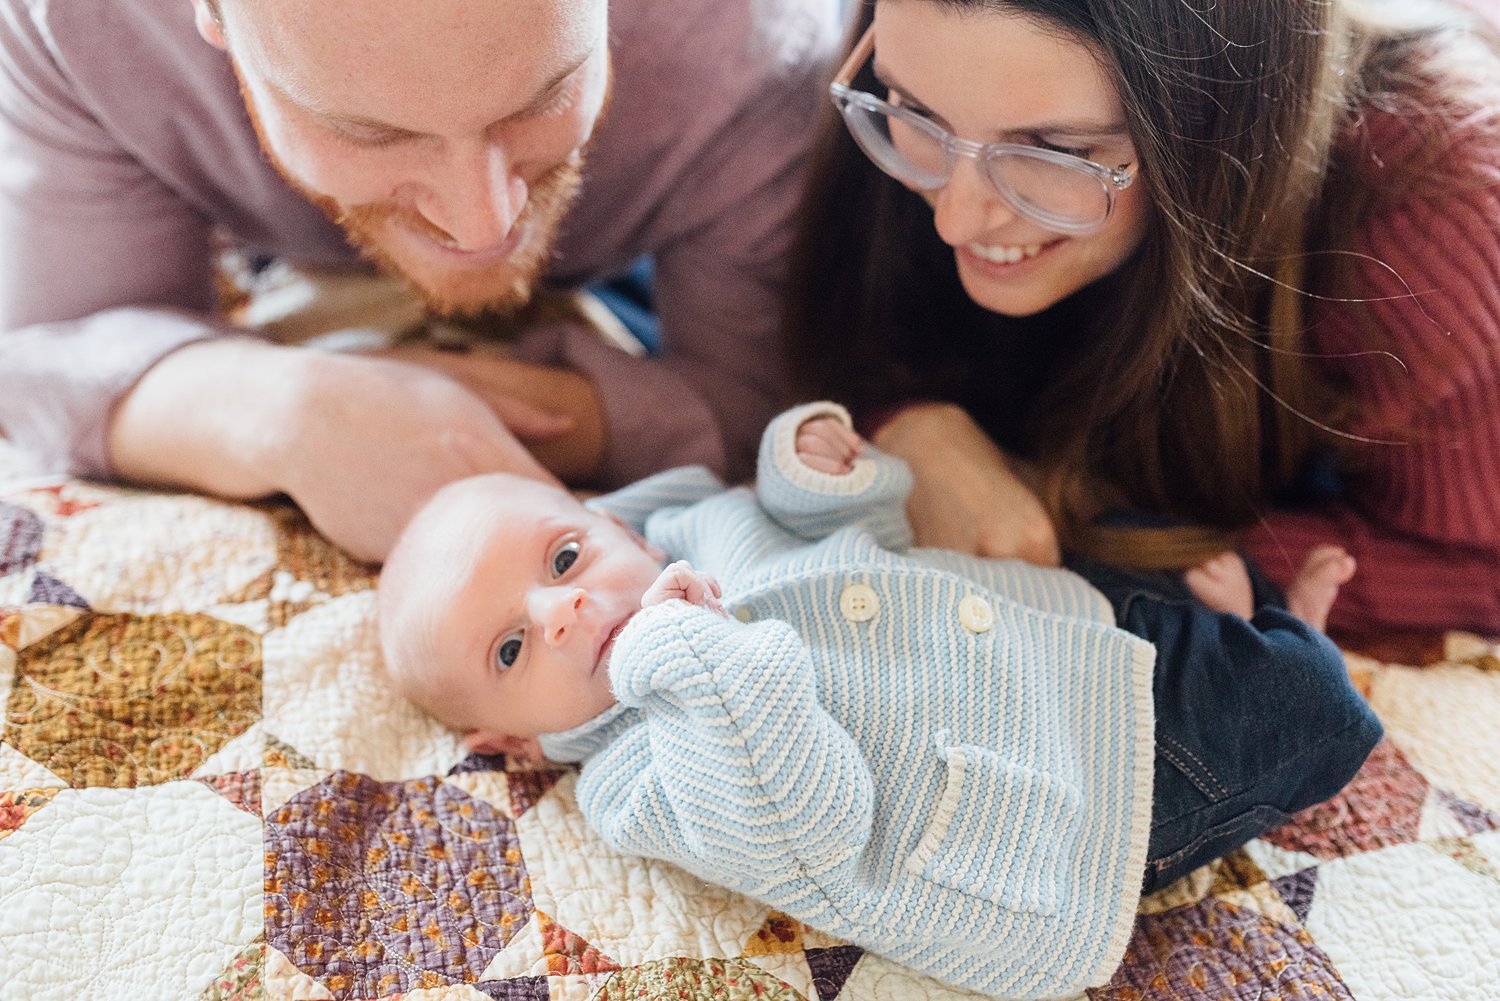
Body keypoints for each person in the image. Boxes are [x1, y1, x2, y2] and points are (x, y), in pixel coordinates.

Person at [377, 401, 1382, 999]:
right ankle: (1295, 629)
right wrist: (684, 649)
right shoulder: (638, 775)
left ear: (605, 520)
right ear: (510, 739)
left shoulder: (699, 528)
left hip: (1054, 625)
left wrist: (813, 466)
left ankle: (1241, 610)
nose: (566, 609)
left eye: (562, 556)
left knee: (1144, 516)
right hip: (1077, 800)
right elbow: (803, 817)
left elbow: (855, 531)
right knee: (1306, 703)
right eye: (512, 645)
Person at [0, 0, 839, 562]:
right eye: (367, 134)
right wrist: (287, 411)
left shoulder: (758, 39)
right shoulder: (75, 21)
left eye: (543, 96)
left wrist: (532, 416)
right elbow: (46, 352)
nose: (483, 226)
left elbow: (777, 410)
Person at [785, 0, 1500, 635]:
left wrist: (1099, 534)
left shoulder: (1433, 201)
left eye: (1057, 152)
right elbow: (846, 332)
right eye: (914, 109)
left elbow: (1473, 563)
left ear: (1227, 119)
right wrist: (910, 424)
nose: (956, 219)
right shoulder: (888, 87)